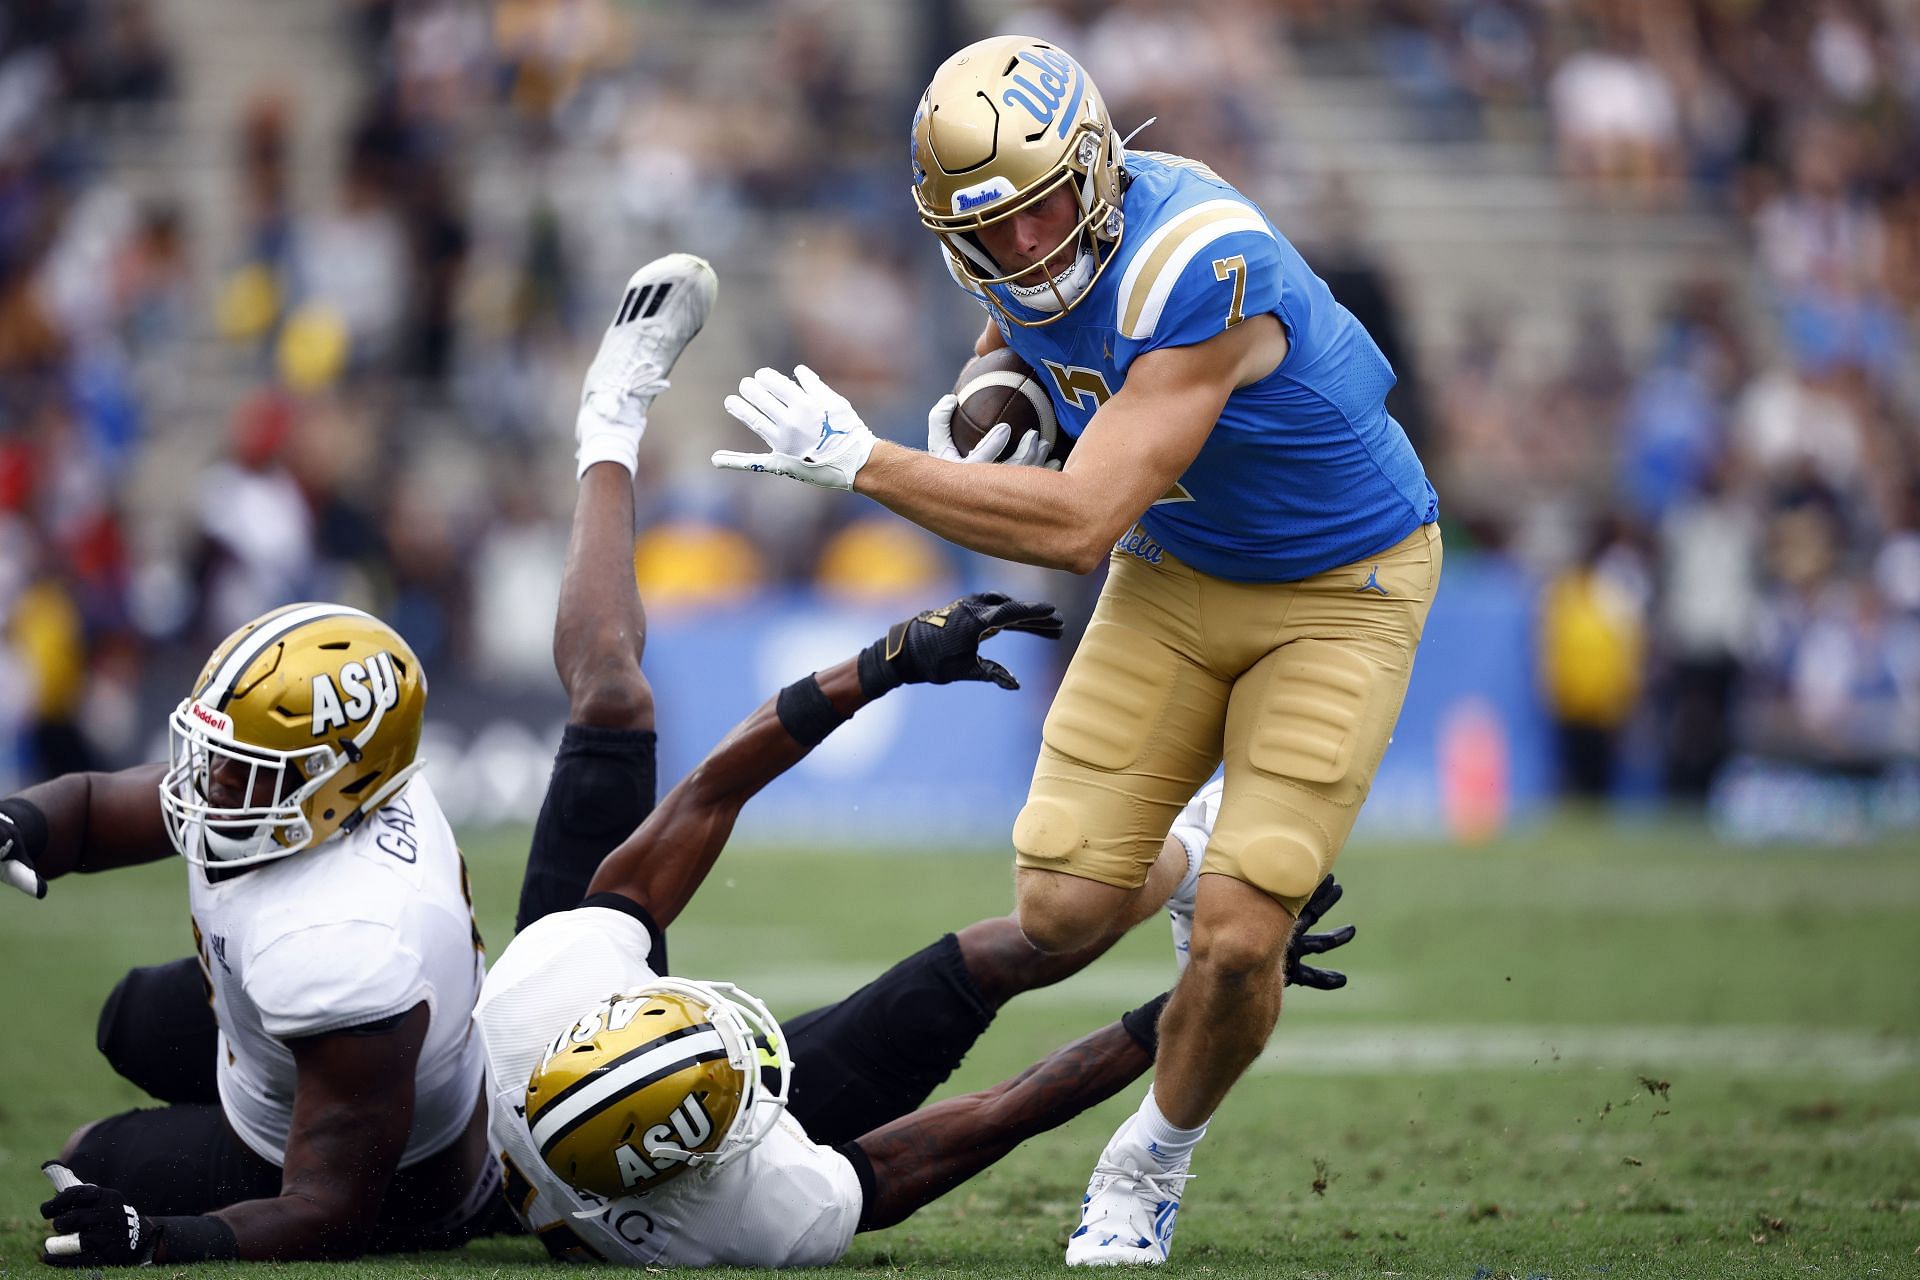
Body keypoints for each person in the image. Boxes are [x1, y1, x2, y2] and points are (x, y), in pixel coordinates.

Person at [468, 253, 1357, 1266]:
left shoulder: (532, 1001)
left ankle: (609, 420)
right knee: (998, 955)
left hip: (532, 1087)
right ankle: (1194, 849)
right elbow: (993, 1115)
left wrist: (881, 664)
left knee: (617, 700)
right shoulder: (758, 1209)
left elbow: (711, 793)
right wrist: (1191, 1007)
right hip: (529, 1161)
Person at [710, 34, 1441, 1265]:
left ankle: (1148, 1159)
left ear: (1099, 169)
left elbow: (1078, 522)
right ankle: (1201, 840)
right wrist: (994, 396)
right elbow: (1022, 340)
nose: (1023, 250)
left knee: (1243, 933)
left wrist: (868, 462)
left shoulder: (1197, 261)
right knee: (1058, 906)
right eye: (988, 235)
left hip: (1340, 586)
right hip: (1181, 570)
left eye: (1044, 213)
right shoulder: (1016, 247)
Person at [3, 605, 495, 1266]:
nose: (217, 782)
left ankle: (479, 1204)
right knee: (133, 1016)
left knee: (87, 1160)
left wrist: (156, 1238)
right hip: (317, 1052)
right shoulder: (342, 788)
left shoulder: (350, 937)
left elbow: (328, 1212)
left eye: (246, 766)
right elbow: (95, 809)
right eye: (219, 755)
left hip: (401, 1177)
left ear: (335, 779)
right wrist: (18, 823)